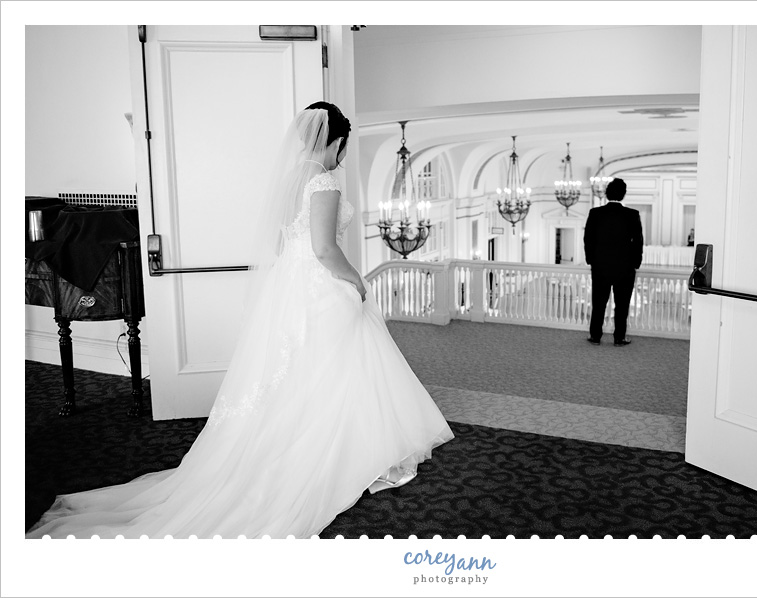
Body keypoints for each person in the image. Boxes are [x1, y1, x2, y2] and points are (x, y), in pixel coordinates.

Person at [27, 102, 454, 539]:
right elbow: (326, 250)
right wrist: (356, 281)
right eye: (343, 147)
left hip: (289, 286)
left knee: (296, 374)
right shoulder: (324, 181)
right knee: (334, 370)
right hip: (320, 286)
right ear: (338, 141)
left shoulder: (289, 181)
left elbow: (278, 243)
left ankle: (301, 446)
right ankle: (340, 453)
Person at [583, 178, 643, 347]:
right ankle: (619, 338)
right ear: (623, 194)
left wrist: (591, 260)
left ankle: (595, 337)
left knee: (599, 304)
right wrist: (635, 263)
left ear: (607, 193)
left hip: (600, 266)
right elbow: (638, 241)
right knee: (622, 305)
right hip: (625, 267)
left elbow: (588, 239)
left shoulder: (595, 213)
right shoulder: (632, 214)